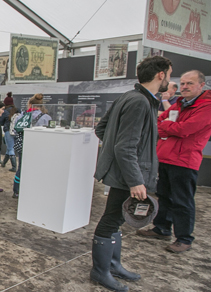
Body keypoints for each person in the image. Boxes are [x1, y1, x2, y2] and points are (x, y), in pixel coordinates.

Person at [91, 55, 173, 292]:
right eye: (169, 74)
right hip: (128, 175)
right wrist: (135, 179)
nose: (170, 78)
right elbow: (125, 146)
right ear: (161, 75)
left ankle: (112, 265)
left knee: (117, 220)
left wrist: (117, 155)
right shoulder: (139, 101)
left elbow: (102, 129)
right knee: (111, 221)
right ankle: (100, 271)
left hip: (126, 171)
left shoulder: (132, 98)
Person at [137, 70, 211, 253]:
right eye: (183, 83)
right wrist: (169, 127)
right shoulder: (179, 103)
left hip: (185, 160)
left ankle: (184, 238)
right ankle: (161, 228)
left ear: (201, 85)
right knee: (164, 196)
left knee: (182, 201)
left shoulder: (208, 107)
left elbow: (185, 129)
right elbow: (159, 121)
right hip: (166, 157)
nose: (184, 87)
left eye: (190, 83)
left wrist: (167, 127)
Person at [11, 93, 52, 199]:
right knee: (36, 168)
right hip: (39, 147)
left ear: (30, 104)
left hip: (22, 146)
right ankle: (33, 189)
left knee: (21, 168)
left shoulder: (22, 116)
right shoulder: (46, 117)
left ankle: (17, 190)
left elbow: (15, 130)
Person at [0, 92, 19, 172]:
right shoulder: (18, 110)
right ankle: (4, 163)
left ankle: (14, 167)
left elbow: (1, 122)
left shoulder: (5, 111)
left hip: (8, 131)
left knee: (10, 148)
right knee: (9, 147)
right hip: (17, 131)